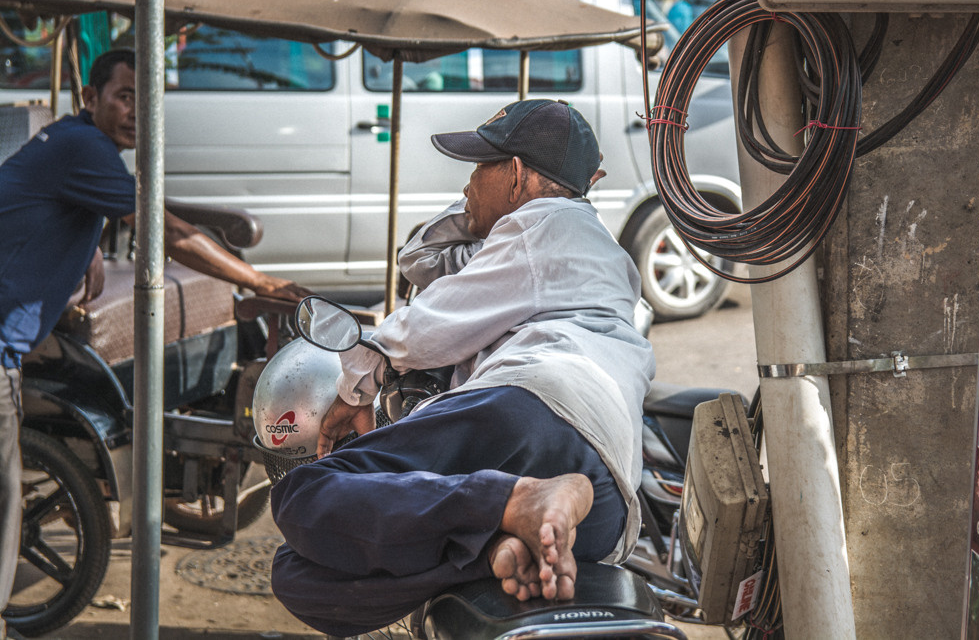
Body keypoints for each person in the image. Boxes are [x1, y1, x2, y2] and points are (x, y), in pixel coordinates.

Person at [269, 98, 656, 637]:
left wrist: (356, 387)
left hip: (532, 410)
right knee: (302, 575)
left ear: (516, 175)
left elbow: (425, 327)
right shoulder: (591, 248)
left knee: (302, 497)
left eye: (479, 168)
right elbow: (423, 260)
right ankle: (503, 537)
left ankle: (516, 497)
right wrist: (482, 204)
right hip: (605, 501)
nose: (469, 183)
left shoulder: (542, 226)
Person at [0, 48, 307, 639]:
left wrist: (84, 240)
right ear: (90, 99)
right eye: (123, 98)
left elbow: (77, 203)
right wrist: (261, 282)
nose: (136, 113)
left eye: (146, 101)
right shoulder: (83, 148)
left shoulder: (76, 146)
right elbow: (168, 231)